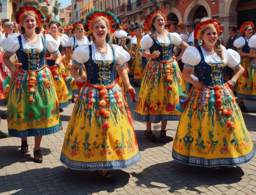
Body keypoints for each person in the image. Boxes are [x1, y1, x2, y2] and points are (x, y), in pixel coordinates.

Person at [60, 10, 140, 181]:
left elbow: (122, 69)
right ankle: (98, 163)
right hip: (91, 94)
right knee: (94, 128)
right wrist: (77, 79)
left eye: (103, 27)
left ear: (108, 30)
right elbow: (73, 68)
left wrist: (127, 84)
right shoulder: (84, 50)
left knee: (112, 127)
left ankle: (109, 160)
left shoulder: (116, 50)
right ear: (92, 31)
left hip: (112, 93)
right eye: (96, 27)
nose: (100, 29)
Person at [172, 18, 254, 170]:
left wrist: (231, 83)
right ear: (201, 36)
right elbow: (185, 73)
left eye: (214, 33)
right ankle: (211, 157)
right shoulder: (195, 52)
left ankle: (227, 157)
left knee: (226, 125)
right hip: (202, 95)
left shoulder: (224, 52)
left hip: (223, 94)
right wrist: (195, 82)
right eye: (208, 34)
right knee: (206, 126)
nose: (212, 36)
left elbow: (240, 69)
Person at [2, 6, 62, 163]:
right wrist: (13, 69)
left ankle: (37, 148)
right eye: (27, 21)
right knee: (23, 111)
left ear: (37, 23)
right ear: (22, 24)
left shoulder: (45, 38)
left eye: (32, 20)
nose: (30, 23)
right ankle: (23, 140)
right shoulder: (16, 40)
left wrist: (53, 67)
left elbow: (57, 55)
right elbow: (6, 57)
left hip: (42, 80)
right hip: (22, 81)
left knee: (39, 112)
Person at [134, 9, 188, 143]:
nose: (161, 21)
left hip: (170, 70)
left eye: (162, 19)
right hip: (155, 71)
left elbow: (186, 47)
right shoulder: (149, 38)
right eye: (158, 20)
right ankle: (148, 130)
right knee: (152, 97)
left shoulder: (172, 36)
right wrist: (151, 55)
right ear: (153, 23)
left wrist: (177, 58)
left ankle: (163, 130)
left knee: (168, 98)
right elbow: (141, 51)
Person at [46, 19, 70, 112]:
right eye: (51, 28)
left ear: (58, 29)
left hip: (58, 65)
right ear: (49, 29)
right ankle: (52, 104)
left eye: (55, 28)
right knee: (50, 85)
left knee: (59, 85)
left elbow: (63, 54)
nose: (53, 29)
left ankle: (59, 105)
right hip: (49, 65)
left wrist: (59, 59)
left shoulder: (62, 39)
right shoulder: (46, 38)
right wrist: (52, 58)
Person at [234, 22, 255, 112]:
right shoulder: (241, 40)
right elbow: (239, 53)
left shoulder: (254, 39)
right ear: (244, 31)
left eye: (251, 29)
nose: (250, 31)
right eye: (248, 30)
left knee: (253, 81)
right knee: (244, 81)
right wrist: (250, 55)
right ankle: (241, 103)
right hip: (245, 64)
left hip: (253, 63)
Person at [67, 21, 89, 97]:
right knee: (74, 78)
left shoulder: (86, 39)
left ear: (84, 30)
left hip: (85, 61)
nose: (80, 30)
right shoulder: (71, 39)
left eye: (81, 29)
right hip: (74, 60)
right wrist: (76, 60)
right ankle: (73, 95)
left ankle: (82, 93)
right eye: (78, 29)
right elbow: (69, 53)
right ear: (75, 30)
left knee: (84, 77)